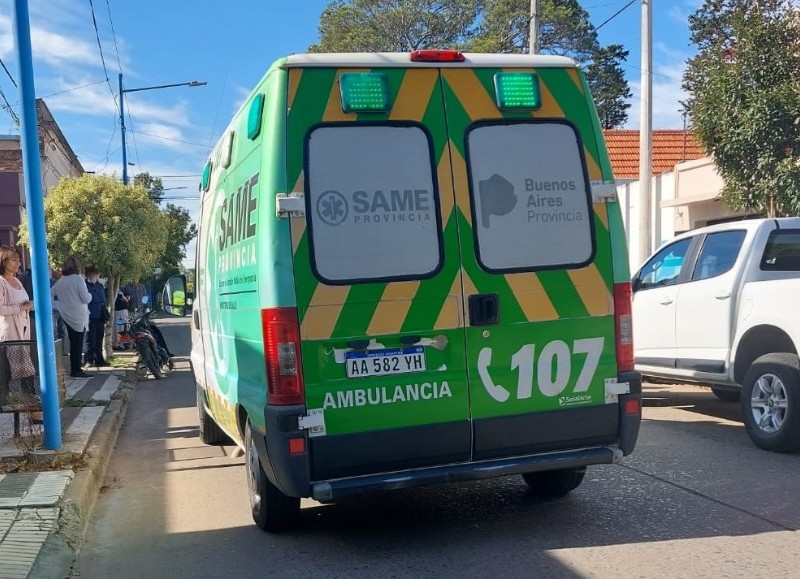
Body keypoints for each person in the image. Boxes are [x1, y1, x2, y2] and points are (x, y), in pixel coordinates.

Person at [0, 246, 36, 405]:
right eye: (13, 259)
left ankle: (28, 404)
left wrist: (31, 305)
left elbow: (23, 302)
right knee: (14, 370)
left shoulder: (17, 280)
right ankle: (26, 405)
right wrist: (19, 308)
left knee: (24, 368)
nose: (18, 263)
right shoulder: (1, 282)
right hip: (10, 333)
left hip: (23, 330)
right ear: (3, 261)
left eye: (18, 260)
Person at [50, 256, 91, 378]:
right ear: (77, 266)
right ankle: (76, 370)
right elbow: (86, 298)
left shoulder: (61, 281)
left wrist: (57, 305)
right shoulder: (78, 280)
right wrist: (90, 295)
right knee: (77, 344)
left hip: (66, 315)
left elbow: (50, 294)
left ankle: (75, 369)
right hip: (79, 315)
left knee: (74, 343)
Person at [84, 265, 109, 367]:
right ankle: (89, 360)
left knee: (99, 338)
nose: (94, 277)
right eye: (91, 275)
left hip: (100, 315)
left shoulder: (100, 286)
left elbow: (103, 299)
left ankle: (99, 359)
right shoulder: (85, 286)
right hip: (90, 315)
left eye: (95, 275)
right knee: (90, 340)